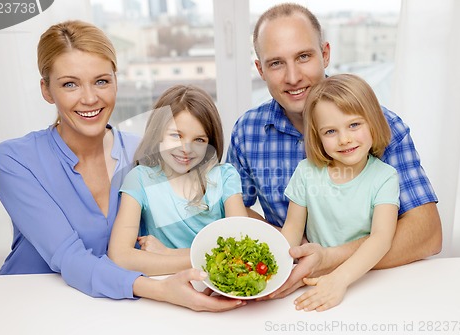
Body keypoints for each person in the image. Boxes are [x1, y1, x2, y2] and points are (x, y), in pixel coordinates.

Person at [0, 20, 244, 312]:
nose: (89, 98)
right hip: (24, 305)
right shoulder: (15, 159)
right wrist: (164, 287)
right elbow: (69, 257)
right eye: (69, 84)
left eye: (101, 81)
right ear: (46, 90)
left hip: (114, 310)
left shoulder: (144, 151)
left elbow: (206, 197)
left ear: (115, 80)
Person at [226, 3, 442, 298]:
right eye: (276, 63)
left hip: (377, 286)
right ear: (260, 69)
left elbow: (427, 235)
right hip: (290, 288)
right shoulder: (248, 131)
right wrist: (284, 254)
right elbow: (233, 208)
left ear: (325, 54)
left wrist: (328, 261)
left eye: (303, 56)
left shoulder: (381, 125)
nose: (292, 77)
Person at [281, 74, 399, 311]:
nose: (345, 139)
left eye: (354, 125)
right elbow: (292, 229)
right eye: (330, 132)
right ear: (317, 136)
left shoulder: (385, 177)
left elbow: (381, 238)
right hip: (315, 280)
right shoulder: (306, 172)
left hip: (366, 278)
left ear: (373, 122)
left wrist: (339, 279)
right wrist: (275, 269)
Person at [108, 85, 248, 275]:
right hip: (166, 286)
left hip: (216, 285)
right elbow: (120, 257)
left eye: (199, 140)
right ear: (158, 134)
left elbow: (240, 248)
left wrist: (168, 254)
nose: (186, 149)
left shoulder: (225, 176)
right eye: (176, 135)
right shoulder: (139, 179)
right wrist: (207, 260)